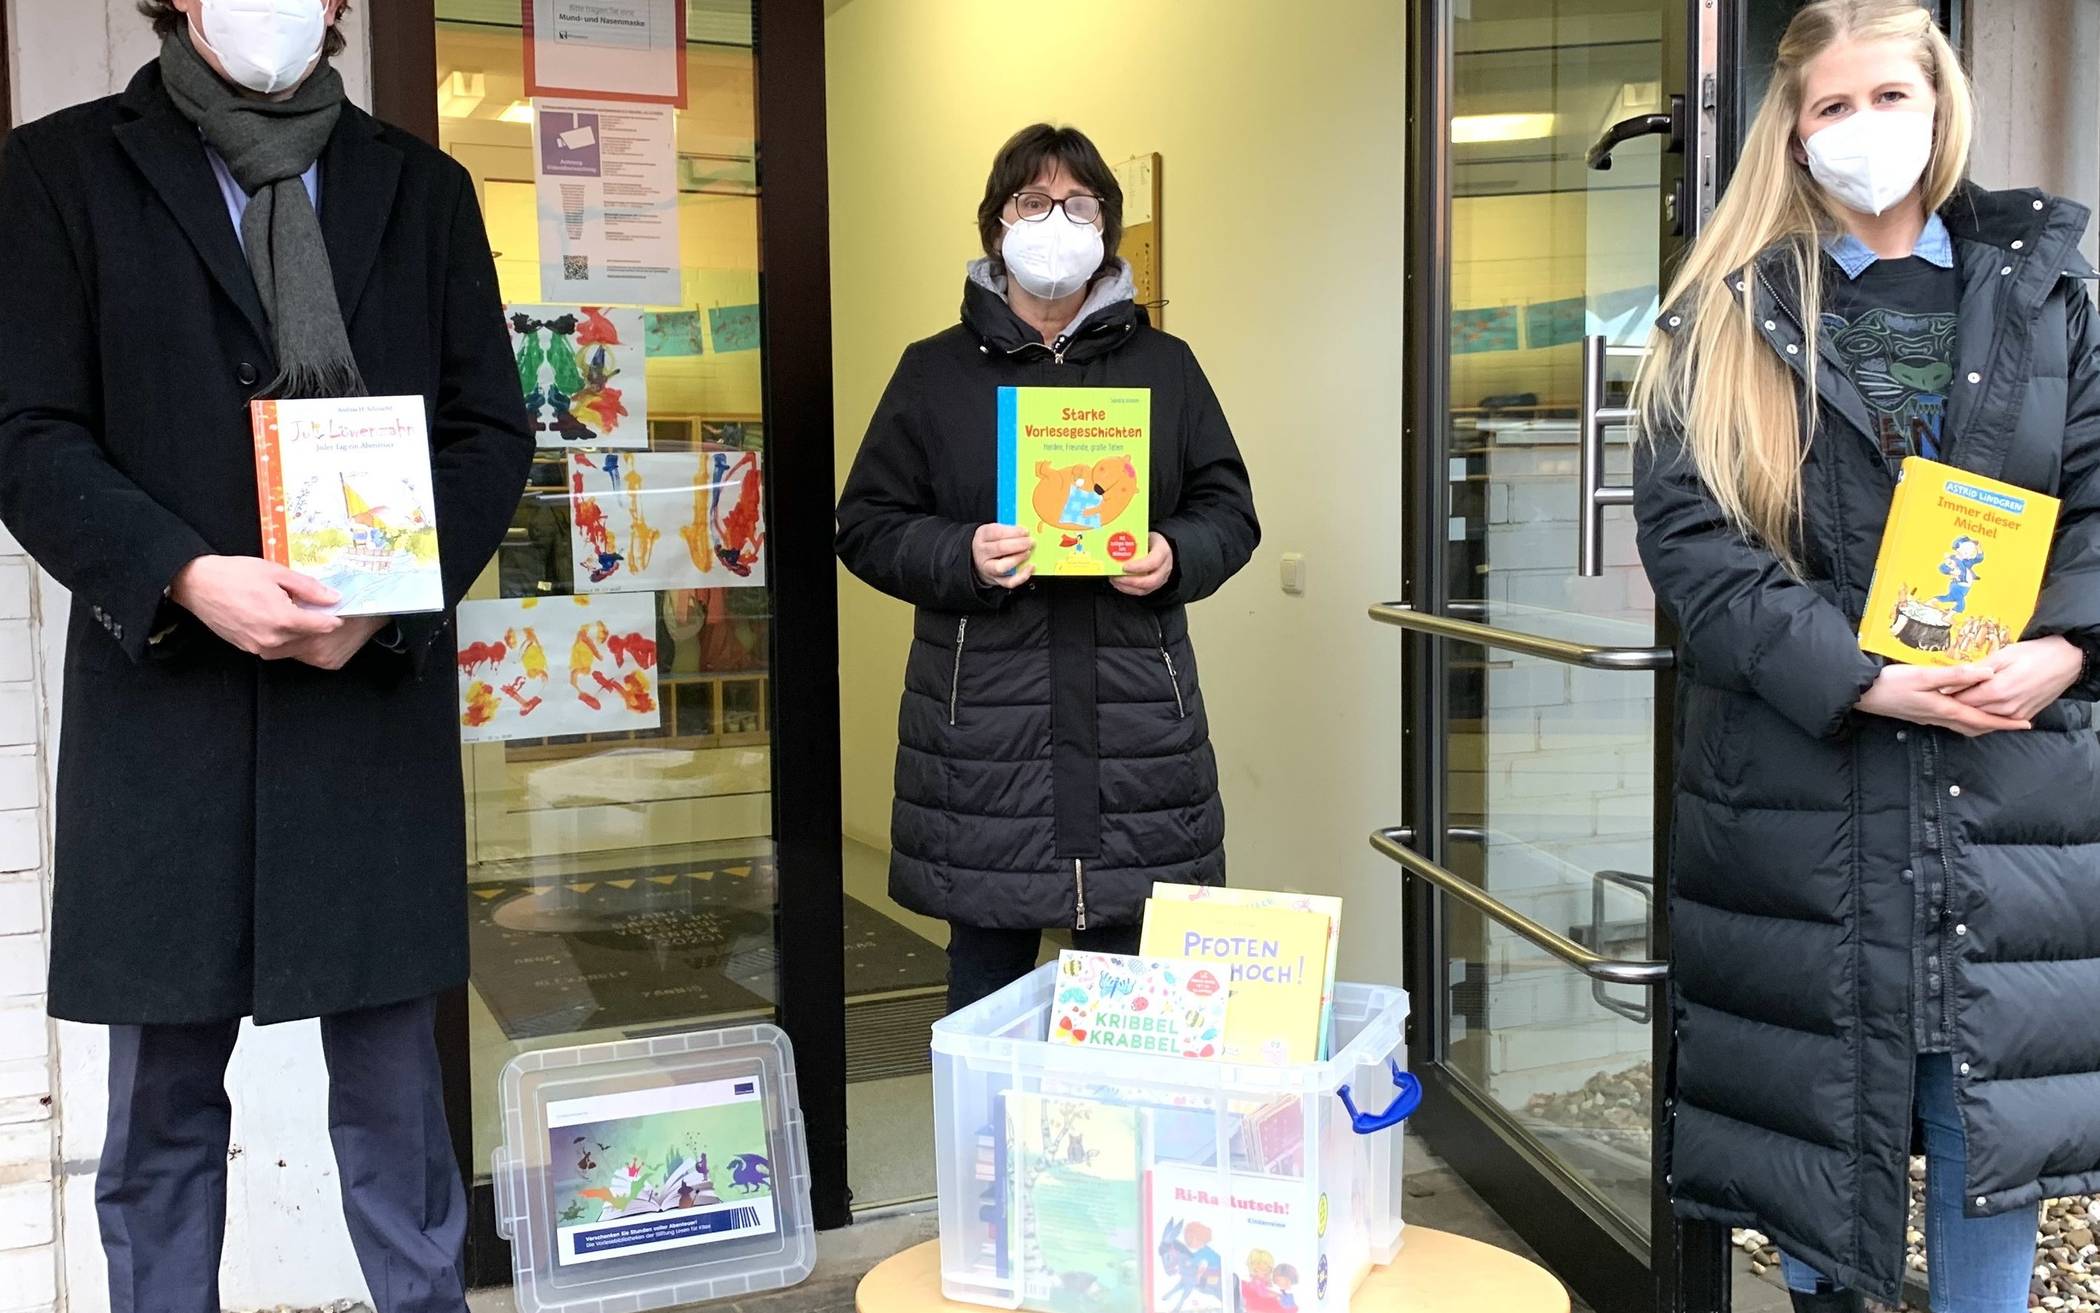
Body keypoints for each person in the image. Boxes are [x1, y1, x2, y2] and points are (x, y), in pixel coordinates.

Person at [0, 3, 533, 1311]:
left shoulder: (421, 186)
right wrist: (182, 573)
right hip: (168, 707)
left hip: (367, 704)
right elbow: (27, 429)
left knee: (400, 1111)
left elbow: (487, 429)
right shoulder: (61, 170)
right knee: (162, 1120)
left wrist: (392, 603)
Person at [1630, 3, 2100, 1311]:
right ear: (1793, 134)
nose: (1864, 126)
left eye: (1891, 95)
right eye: (1833, 106)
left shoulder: (2047, 294)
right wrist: (1862, 678)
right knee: (1818, 1106)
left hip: (2002, 786)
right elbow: (1695, 545)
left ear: (1942, 105)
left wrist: (2067, 649)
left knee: (1981, 1111)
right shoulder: (1727, 313)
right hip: (1804, 792)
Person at [836, 124, 1259, 1012]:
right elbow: (866, 524)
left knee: (1130, 1015)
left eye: (1079, 204)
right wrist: (960, 553)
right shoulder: (935, 372)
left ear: (1107, 226)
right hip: (983, 738)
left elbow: (1229, 511)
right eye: (1034, 202)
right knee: (985, 1006)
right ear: (997, 224)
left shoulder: (1166, 367)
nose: (1056, 221)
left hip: (1138, 732)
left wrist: (1176, 554)